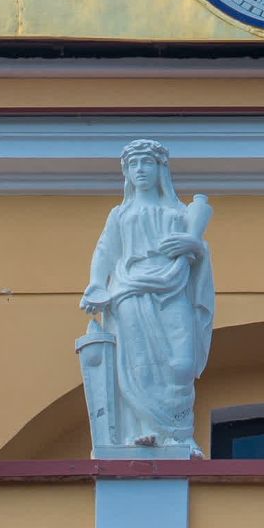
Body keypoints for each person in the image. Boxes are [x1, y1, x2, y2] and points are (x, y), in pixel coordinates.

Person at [77, 139, 214, 455]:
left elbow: (199, 254)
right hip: (131, 289)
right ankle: (143, 431)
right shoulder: (120, 214)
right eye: (133, 164)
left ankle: (180, 433)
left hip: (174, 285)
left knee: (181, 363)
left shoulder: (181, 212)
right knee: (139, 364)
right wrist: (97, 284)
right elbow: (105, 250)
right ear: (126, 172)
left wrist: (193, 246)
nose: (140, 170)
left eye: (147, 163)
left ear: (160, 169)